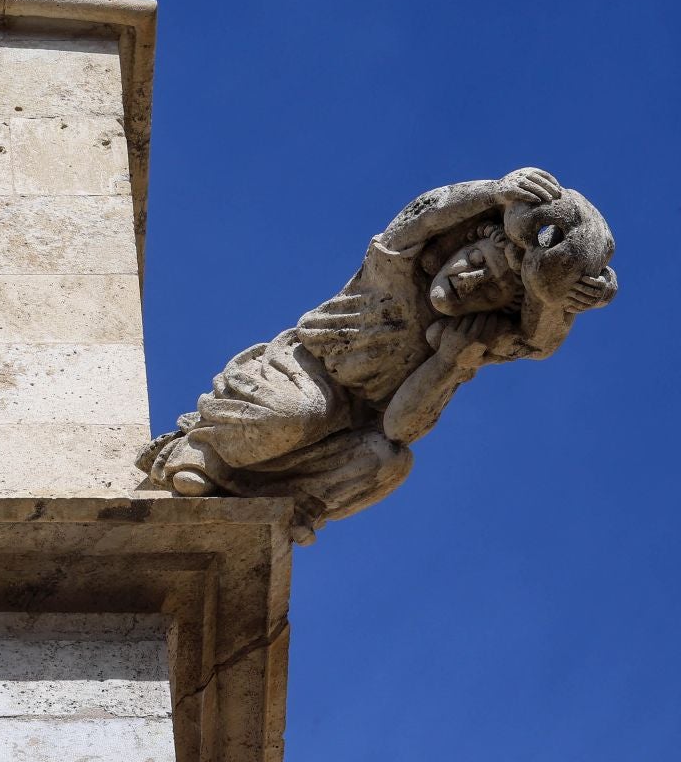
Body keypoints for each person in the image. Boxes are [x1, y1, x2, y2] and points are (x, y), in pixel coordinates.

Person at [138, 167, 616, 541]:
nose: (469, 280)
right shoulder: (395, 272)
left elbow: (401, 426)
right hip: (303, 373)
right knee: (300, 412)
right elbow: (420, 215)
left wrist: (552, 304)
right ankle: (200, 445)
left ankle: (283, 500)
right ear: (455, 249)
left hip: (352, 423)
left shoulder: (467, 343)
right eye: (473, 263)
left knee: (388, 463)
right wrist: (495, 193)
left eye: (488, 288)